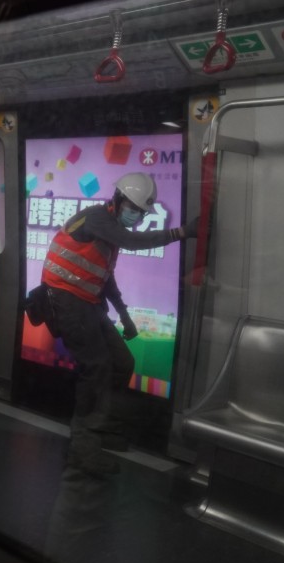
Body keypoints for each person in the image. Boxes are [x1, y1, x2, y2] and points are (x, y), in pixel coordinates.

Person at [40, 172, 198, 475]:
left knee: (123, 362)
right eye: (135, 208)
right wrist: (181, 232)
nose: (136, 215)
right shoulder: (97, 219)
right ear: (119, 199)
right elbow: (131, 241)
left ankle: (104, 429)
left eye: (141, 211)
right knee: (96, 368)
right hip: (65, 302)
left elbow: (104, 277)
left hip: (85, 304)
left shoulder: (107, 230)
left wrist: (124, 314)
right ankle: (82, 451)